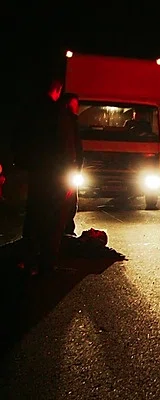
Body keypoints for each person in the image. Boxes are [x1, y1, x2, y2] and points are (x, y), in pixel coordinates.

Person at [21, 79, 65, 275]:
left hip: (36, 170)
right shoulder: (56, 113)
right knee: (50, 217)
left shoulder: (31, 110)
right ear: (57, 90)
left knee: (33, 214)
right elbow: (61, 145)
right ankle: (46, 263)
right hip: (52, 172)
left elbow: (19, 139)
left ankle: (28, 260)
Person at [58, 93, 83, 236]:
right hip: (67, 168)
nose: (77, 107)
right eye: (75, 104)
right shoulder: (67, 122)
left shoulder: (72, 121)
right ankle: (64, 232)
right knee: (67, 202)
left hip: (71, 168)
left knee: (70, 202)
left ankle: (67, 230)